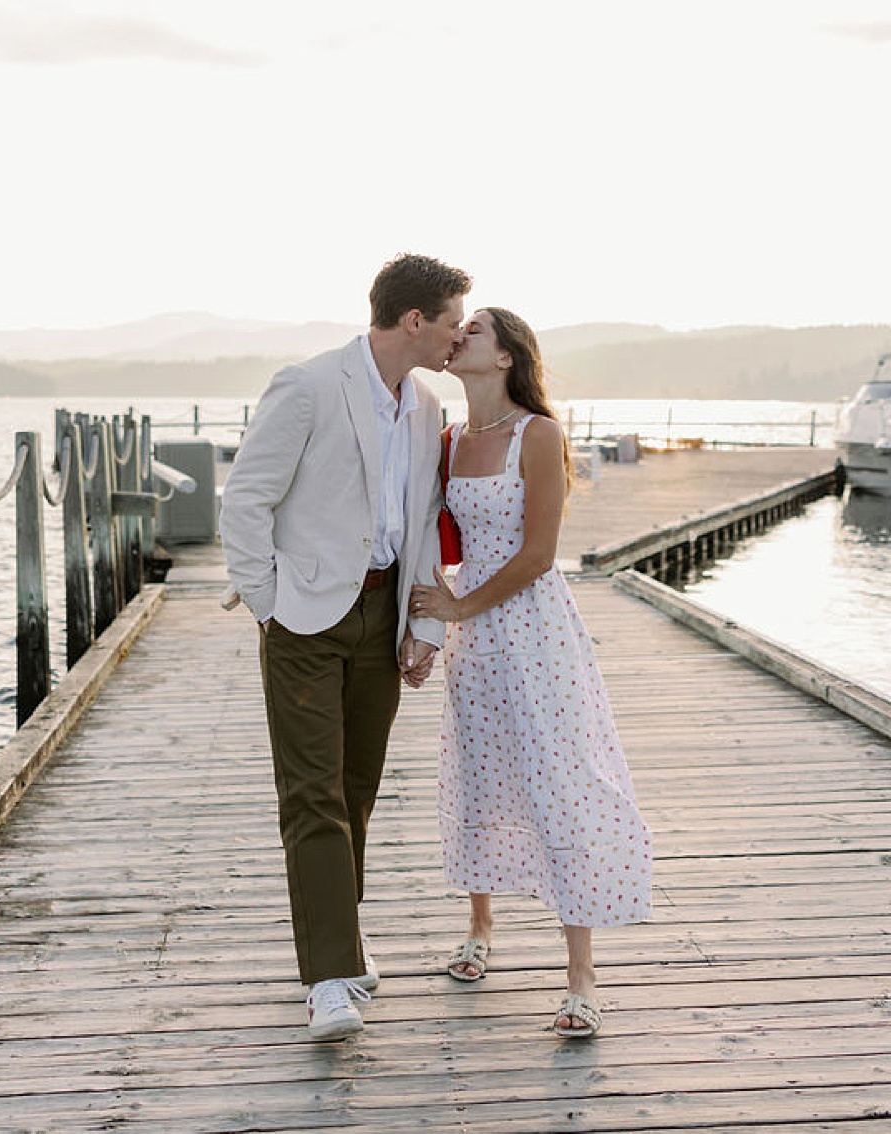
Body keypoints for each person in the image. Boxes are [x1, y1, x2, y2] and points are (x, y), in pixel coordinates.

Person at [219, 253, 471, 1040]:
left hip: (382, 615)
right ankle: (327, 977)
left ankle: (343, 943)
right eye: (454, 322)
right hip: (305, 617)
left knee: (355, 790)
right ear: (414, 320)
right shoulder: (308, 385)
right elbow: (245, 502)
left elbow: (422, 520)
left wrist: (424, 627)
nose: (460, 337)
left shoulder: (425, 404)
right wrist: (271, 607)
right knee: (313, 796)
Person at [408, 307, 653, 1039]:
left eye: (476, 329)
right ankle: (479, 929)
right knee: (478, 775)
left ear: (507, 357)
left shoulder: (537, 434)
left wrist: (460, 607)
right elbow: (427, 543)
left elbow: (540, 553)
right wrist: (429, 630)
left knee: (559, 782)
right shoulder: (449, 440)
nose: (460, 335)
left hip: (536, 629)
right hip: (472, 637)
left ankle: (581, 977)